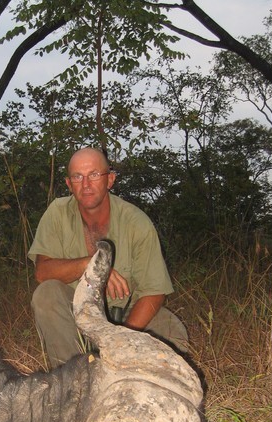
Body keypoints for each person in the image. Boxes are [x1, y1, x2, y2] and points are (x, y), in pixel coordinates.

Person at [28, 147, 188, 368]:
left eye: (94, 175)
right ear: (68, 184)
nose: (86, 185)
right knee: (46, 294)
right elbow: (42, 272)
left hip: (126, 319)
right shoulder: (57, 213)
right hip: (78, 317)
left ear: (110, 179)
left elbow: (154, 293)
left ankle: (125, 371)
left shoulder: (136, 221)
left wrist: (120, 340)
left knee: (173, 332)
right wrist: (91, 264)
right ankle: (72, 379)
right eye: (77, 177)